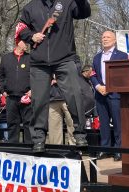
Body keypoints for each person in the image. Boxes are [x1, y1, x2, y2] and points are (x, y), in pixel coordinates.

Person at [19, 0, 91, 152]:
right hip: (39, 61)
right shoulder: (30, 7)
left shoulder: (68, 2)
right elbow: (21, 29)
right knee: (38, 101)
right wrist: (31, 36)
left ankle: (80, 134)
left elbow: (84, 13)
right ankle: (39, 139)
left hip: (65, 58)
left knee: (74, 95)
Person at [91, 31, 128, 161]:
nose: (105, 39)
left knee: (118, 123)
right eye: (103, 37)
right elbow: (93, 74)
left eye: (108, 37)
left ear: (114, 40)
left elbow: (124, 74)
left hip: (115, 94)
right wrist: (98, 86)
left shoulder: (122, 55)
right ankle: (105, 149)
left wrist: (110, 86)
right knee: (104, 123)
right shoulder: (96, 57)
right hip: (100, 94)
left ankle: (119, 150)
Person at [0, 23, 32, 144]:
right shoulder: (6, 58)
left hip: (27, 97)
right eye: (25, 42)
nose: (27, 44)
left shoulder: (30, 58)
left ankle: (29, 149)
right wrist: (3, 91)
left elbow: (36, 77)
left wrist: (32, 90)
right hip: (11, 98)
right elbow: (0, 77)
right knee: (12, 124)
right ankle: (13, 149)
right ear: (18, 42)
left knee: (28, 124)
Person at [48, 76, 75, 145]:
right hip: (51, 98)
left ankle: (74, 148)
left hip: (68, 97)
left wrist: (59, 80)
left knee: (72, 125)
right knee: (54, 128)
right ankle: (57, 150)